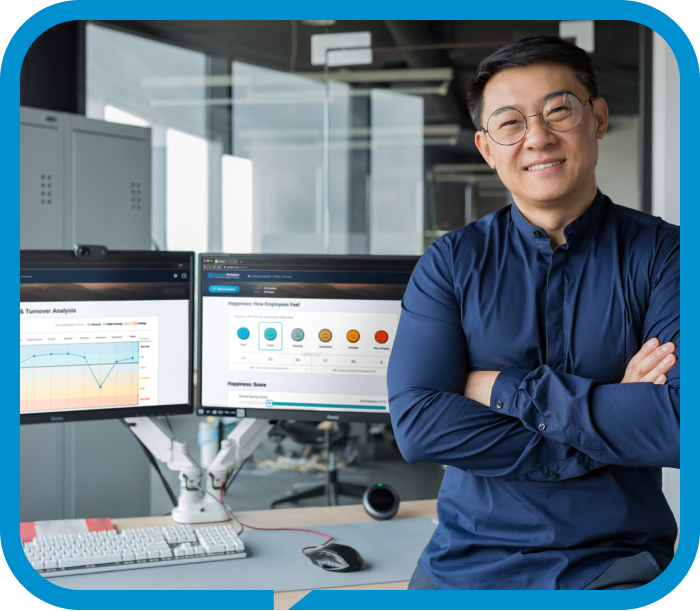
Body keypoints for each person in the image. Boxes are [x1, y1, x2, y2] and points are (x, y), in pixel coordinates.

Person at [387, 35, 680, 590]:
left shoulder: (667, 256)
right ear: (486, 147)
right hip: (464, 565)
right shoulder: (451, 263)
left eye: (558, 111)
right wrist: (609, 415)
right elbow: (420, 427)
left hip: (615, 566)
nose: (538, 138)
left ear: (597, 117)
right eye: (511, 123)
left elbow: (677, 425)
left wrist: (501, 389)